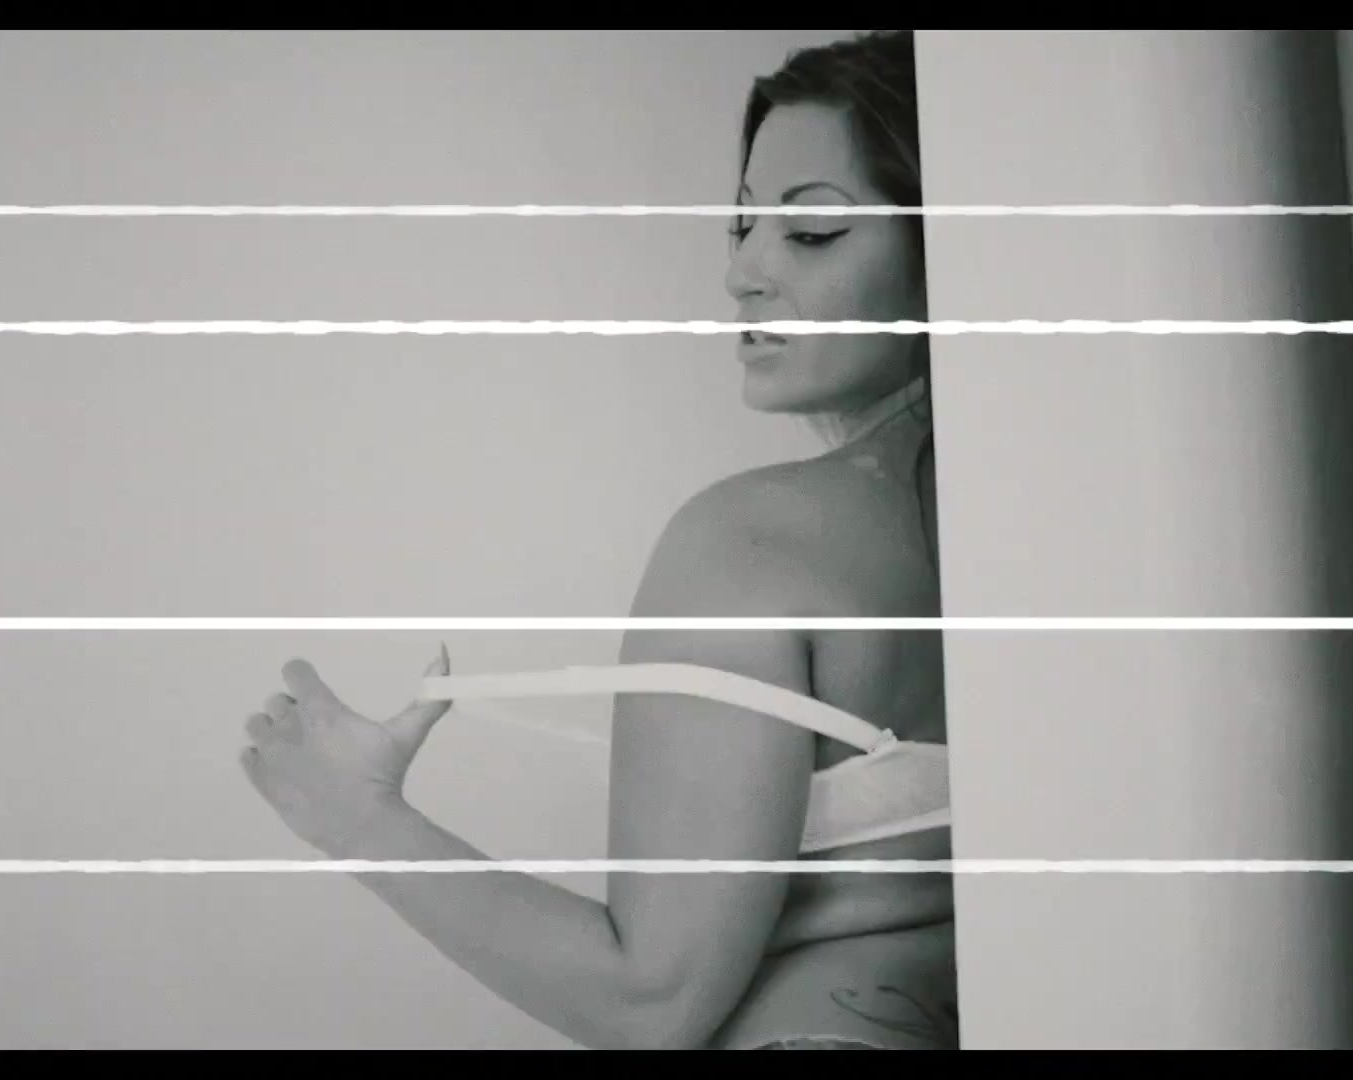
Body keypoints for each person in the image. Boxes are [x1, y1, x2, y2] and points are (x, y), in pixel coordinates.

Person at [238, 29, 956, 1050]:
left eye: (812, 232)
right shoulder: (1054, 531)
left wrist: (356, 815)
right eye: (743, 222)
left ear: (946, 245)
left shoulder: (754, 546)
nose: (743, 272)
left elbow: (649, 1001)